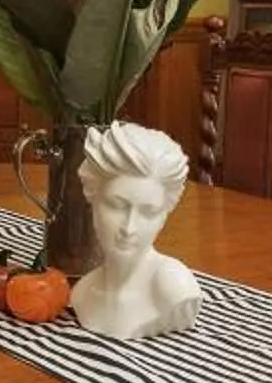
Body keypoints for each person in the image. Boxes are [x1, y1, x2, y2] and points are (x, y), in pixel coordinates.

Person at [69, 121, 203, 342]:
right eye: (116, 205)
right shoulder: (82, 293)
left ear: (164, 215)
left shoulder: (174, 289)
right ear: (92, 198)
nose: (129, 228)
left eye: (149, 212)